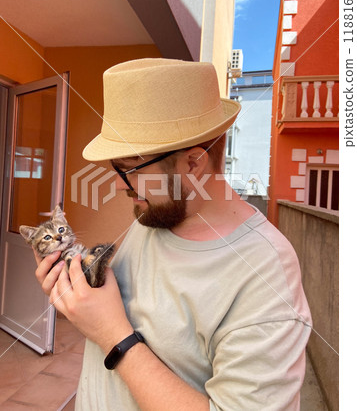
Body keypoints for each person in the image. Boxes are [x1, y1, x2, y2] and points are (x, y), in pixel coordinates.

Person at [35, 58, 312, 410]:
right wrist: (77, 299)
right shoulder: (153, 215)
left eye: (129, 169)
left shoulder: (266, 275)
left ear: (193, 163)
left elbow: (114, 330)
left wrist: (114, 336)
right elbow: (116, 315)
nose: (122, 187)